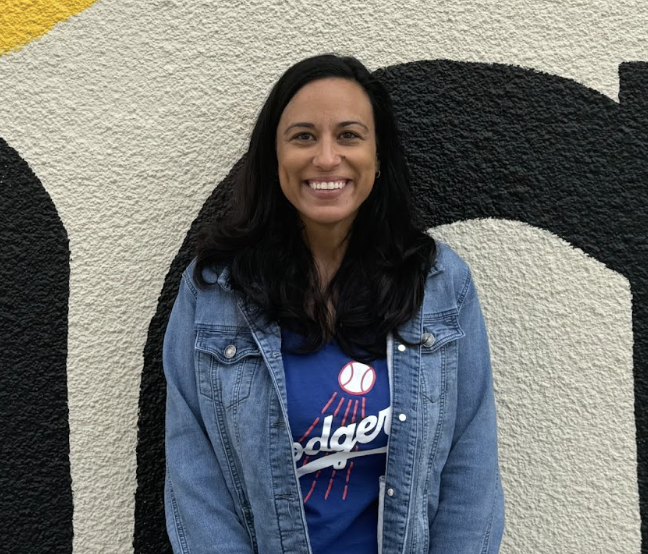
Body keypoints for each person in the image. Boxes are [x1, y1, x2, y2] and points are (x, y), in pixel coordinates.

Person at [163, 54, 504, 554]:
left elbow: (470, 469)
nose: (326, 158)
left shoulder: (439, 284)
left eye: (348, 135)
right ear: (273, 157)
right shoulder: (215, 293)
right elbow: (195, 477)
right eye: (303, 136)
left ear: (378, 155)